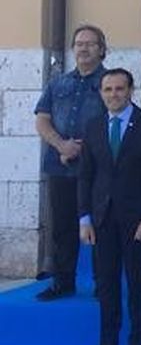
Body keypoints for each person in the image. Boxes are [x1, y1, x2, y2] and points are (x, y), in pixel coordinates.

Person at [78, 69, 141, 345]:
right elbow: (86, 176)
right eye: (108, 89)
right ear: (101, 93)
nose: (113, 94)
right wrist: (85, 218)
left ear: (130, 91)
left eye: (119, 89)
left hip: (137, 219)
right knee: (106, 285)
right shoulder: (93, 126)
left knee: (137, 284)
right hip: (102, 218)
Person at [34, 24, 106, 301]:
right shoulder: (58, 83)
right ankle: (63, 281)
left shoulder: (109, 83)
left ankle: (104, 283)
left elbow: (113, 119)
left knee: (100, 225)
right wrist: (61, 145)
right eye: (79, 43)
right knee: (62, 227)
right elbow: (42, 119)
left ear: (101, 49)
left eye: (90, 43)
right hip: (59, 165)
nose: (84, 48)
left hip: (97, 169)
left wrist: (81, 149)